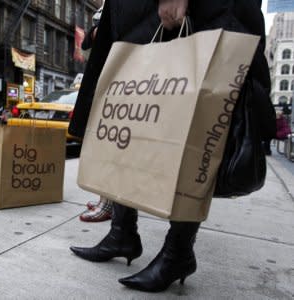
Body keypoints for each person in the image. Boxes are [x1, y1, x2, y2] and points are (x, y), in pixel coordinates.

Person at [68, 0, 274, 293]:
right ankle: (122, 233)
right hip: (135, 13)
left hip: (191, 9)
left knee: (193, 124)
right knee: (128, 125)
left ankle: (178, 252)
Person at [78, 4, 113, 223]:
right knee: (105, 142)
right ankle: (108, 201)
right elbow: (87, 42)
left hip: (126, 73)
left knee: (114, 144)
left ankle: (110, 203)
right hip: (108, 76)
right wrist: (96, 31)